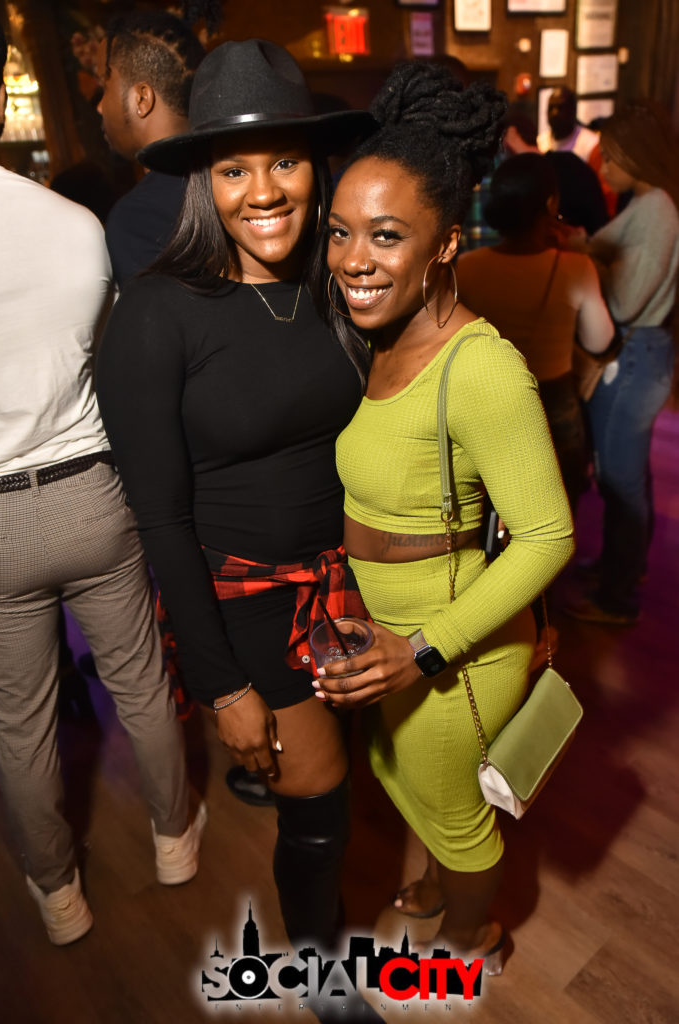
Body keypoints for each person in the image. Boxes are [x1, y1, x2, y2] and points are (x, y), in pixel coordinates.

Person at [96, 39, 376, 981]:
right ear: (201, 183)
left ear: (317, 168)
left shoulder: (332, 286)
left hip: (354, 583)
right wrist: (222, 687)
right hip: (251, 599)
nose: (264, 191)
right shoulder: (156, 312)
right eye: (234, 169)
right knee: (319, 803)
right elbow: (160, 519)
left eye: (285, 160)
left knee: (352, 782)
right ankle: (324, 976)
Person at [317, 61, 575, 969]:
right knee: (395, 771)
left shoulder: (482, 368)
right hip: (388, 628)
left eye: (387, 236)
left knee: (457, 814)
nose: (353, 258)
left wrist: (424, 647)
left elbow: (549, 535)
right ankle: (434, 885)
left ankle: (474, 938)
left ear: (446, 244)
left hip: (452, 646)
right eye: (341, 231)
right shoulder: (379, 337)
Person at [0, 18, 204, 948]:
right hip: (89, 489)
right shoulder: (78, 227)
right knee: (141, 683)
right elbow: (110, 363)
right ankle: (175, 841)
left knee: (21, 723)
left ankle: (58, 895)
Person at [564, 101, 679, 626]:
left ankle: (617, 598)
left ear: (636, 154)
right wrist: (589, 248)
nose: (604, 167)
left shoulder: (656, 209)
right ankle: (623, 568)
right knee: (627, 475)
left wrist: (584, 269)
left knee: (620, 478)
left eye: (610, 157)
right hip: (640, 353)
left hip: (634, 354)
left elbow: (628, 301)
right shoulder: (649, 203)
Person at [457, 153, 614, 515]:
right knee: (554, 521)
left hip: (487, 405)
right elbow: (600, 341)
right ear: (550, 204)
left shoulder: (467, 267)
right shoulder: (576, 267)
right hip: (553, 410)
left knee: (489, 514)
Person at [98, 11, 205, 286]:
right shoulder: (231, 178)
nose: (99, 106)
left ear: (142, 98)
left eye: (104, 85)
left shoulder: (137, 219)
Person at [537, 87, 599, 163]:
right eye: (551, 108)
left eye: (560, 108)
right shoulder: (541, 142)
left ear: (573, 111)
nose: (554, 113)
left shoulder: (591, 144)